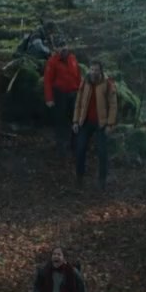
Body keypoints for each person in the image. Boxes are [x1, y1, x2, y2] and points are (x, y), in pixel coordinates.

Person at [72, 59, 117, 189]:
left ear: (101, 71)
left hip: (101, 123)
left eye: (96, 70)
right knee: (80, 149)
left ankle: (102, 180)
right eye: (92, 69)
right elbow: (78, 102)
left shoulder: (107, 84)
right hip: (85, 121)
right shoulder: (85, 82)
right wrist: (75, 121)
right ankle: (79, 177)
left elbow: (113, 105)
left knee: (102, 152)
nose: (93, 72)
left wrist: (110, 124)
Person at [43, 36, 82, 155]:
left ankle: (75, 144)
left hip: (73, 93)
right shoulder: (52, 61)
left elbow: (78, 76)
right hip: (60, 94)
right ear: (56, 48)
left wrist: (81, 92)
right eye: (60, 46)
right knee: (61, 120)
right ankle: (61, 146)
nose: (63, 48)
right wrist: (49, 98)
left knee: (75, 119)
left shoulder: (73, 58)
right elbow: (47, 81)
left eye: (64, 45)